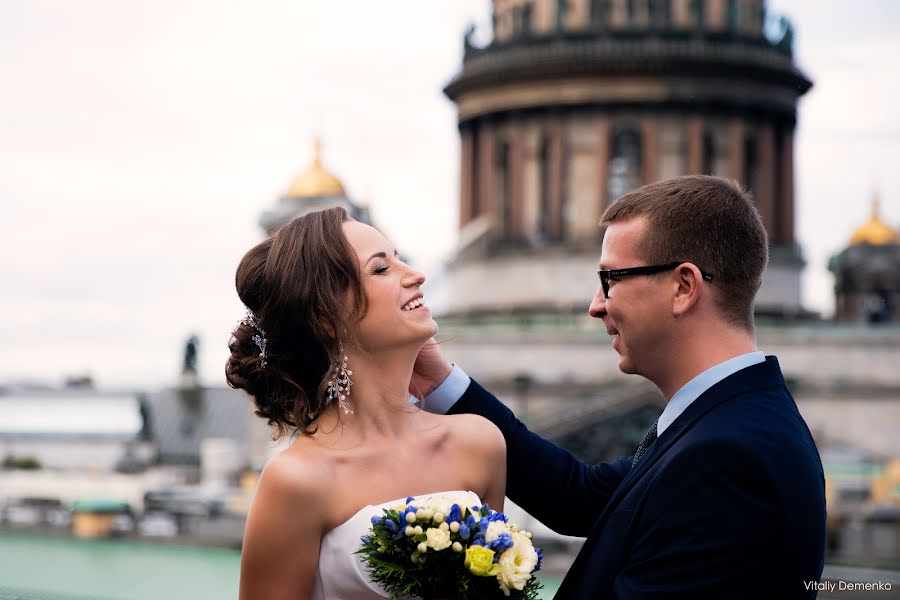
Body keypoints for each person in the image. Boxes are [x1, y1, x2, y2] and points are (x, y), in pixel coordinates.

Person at [412, 176, 827, 598]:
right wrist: (439, 382)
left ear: (683, 287)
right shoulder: (730, 423)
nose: (595, 305)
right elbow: (579, 496)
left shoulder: (725, 457)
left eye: (611, 279)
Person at [226, 207, 506, 599]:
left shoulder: (480, 443)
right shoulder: (298, 481)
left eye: (398, 258)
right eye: (381, 269)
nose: (416, 274)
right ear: (326, 317)